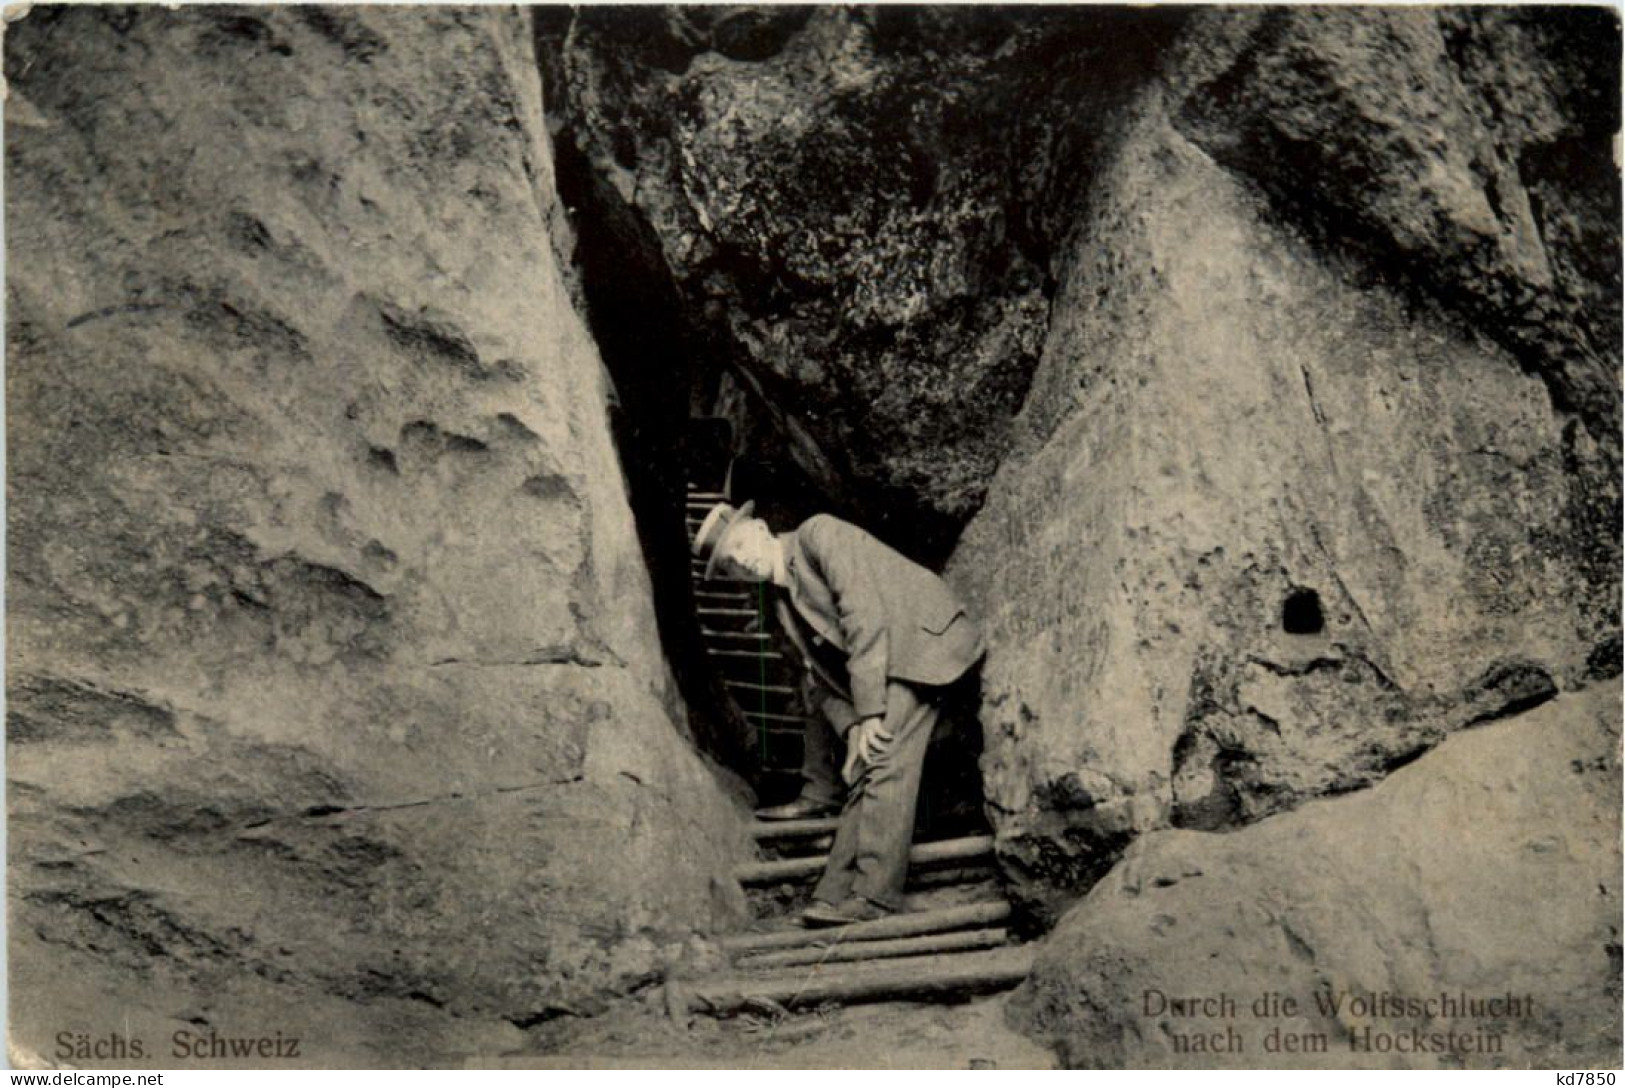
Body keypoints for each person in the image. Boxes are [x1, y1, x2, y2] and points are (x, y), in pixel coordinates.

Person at [692, 501, 984, 926]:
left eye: (739, 544)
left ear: (758, 527)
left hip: (924, 641)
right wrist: (851, 730)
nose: (742, 559)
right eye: (730, 563)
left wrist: (870, 714)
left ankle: (874, 897)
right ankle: (833, 893)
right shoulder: (774, 603)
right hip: (889, 661)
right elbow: (814, 681)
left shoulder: (817, 534)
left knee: (884, 753)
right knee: (869, 761)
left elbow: (864, 616)